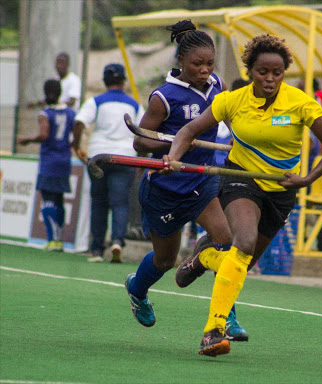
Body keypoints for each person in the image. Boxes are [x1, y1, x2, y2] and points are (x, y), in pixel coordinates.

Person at [168, 34, 322, 357]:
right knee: (244, 242)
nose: (270, 79)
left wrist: (306, 179)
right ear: (250, 70)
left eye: (277, 73)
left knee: (243, 263)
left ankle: (205, 257)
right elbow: (188, 131)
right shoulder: (231, 100)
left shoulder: (300, 103)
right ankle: (213, 332)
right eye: (263, 72)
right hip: (241, 180)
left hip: (282, 191)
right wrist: (173, 156)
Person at [122, 20, 233, 352]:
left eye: (209, 64)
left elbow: (233, 122)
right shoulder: (163, 97)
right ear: (182, 62)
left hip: (202, 181)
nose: (204, 70)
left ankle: (223, 319)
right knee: (164, 260)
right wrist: (172, 148)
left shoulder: (218, 86)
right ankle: (137, 290)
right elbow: (141, 144)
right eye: (197, 64)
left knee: (226, 240)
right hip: (165, 189)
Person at [72, 63, 144, 263]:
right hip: (124, 157)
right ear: (123, 82)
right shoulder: (134, 105)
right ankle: (117, 242)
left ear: (105, 81)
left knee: (99, 202)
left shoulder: (96, 101)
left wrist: (76, 145)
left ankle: (96, 249)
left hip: (98, 156)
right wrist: (141, 159)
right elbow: (143, 133)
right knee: (120, 202)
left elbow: (79, 123)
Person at [18, 79, 75, 251]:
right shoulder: (70, 113)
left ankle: (52, 240)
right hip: (64, 160)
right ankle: (59, 240)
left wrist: (27, 140)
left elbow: (44, 135)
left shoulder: (45, 114)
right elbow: (75, 133)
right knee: (59, 200)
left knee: (48, 201)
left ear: (46, 92)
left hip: (50, 161)